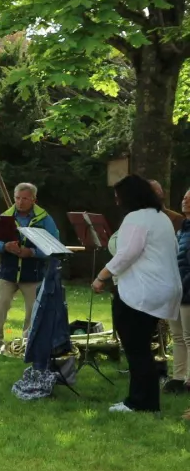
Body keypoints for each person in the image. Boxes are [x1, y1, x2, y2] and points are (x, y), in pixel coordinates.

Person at [92, 175, 181, 414]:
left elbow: (127, 253)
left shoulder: (136, 217)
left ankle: (140, 402)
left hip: (142, 292)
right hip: (164, 289)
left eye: (118, 196)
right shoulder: (161, 217)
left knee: (136, 349)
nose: (116, 200)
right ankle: (146, 400)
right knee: (142, 348)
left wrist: (102, 276)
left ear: (128, 196)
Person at [0, 183, 62, 352]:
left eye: (25, 198)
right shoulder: (5, 217)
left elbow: (54, 245)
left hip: (33, 272)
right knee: (1, 305)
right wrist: (5, 246)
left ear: (34, 199)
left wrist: (32, 252)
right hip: (8, 271)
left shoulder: (44, 219)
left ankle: (29, 342)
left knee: (33, 309)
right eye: (17, 198)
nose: (20, 202)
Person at [170, 187, 190, 395]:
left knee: (189, 337)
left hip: (188, 291)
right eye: (184, 197)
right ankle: (178, 378)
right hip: (177, 290)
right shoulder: (182, 228)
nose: (185, 201)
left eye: (189, 199)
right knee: (177, 337)